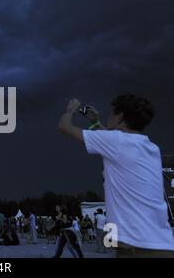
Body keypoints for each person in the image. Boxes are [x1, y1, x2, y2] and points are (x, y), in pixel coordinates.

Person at [58, 95, 174, 257]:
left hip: (136, 248)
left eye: (111, 114)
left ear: (119, 117)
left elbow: (64, 127)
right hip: (163, 245)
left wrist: (71, 109)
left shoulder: (116, 142)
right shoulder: (152, 148)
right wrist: (95, 122)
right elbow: (115, 141)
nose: (108, 117)